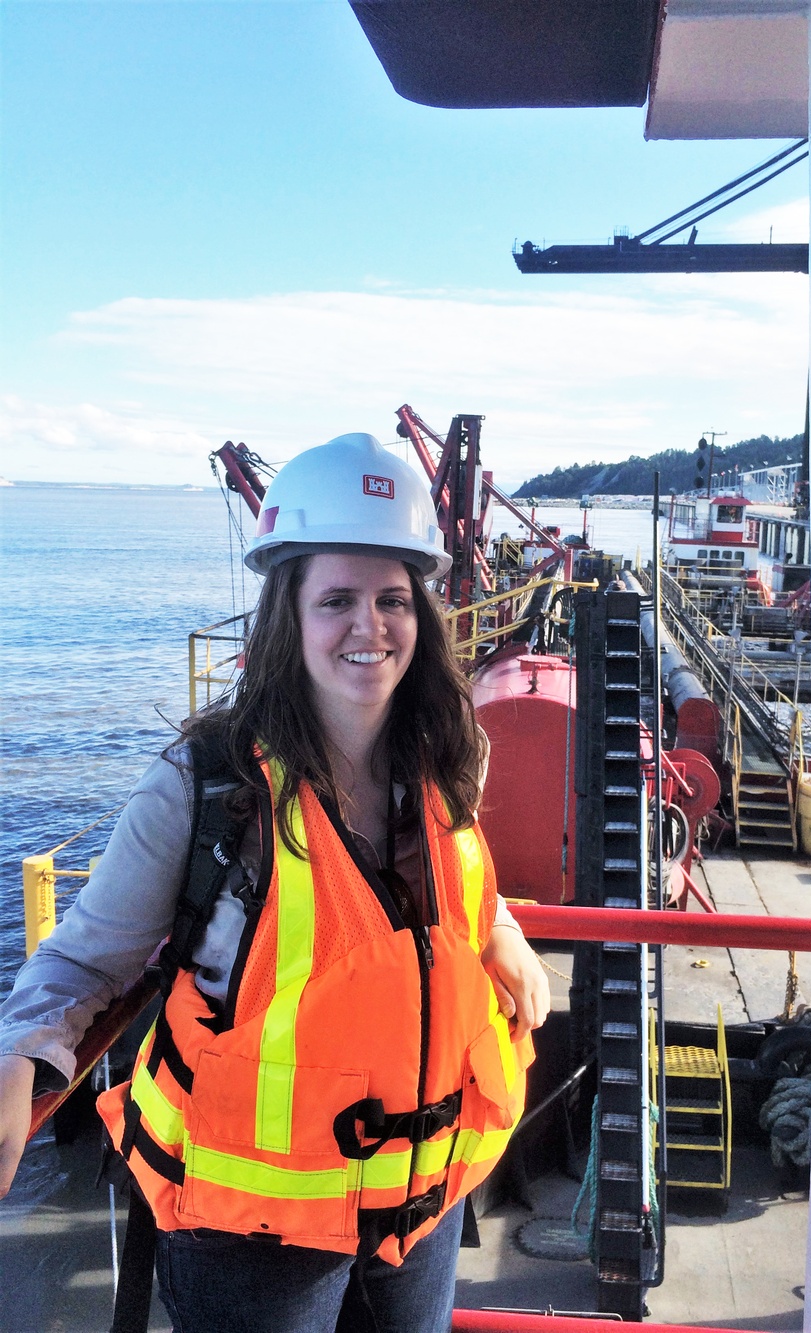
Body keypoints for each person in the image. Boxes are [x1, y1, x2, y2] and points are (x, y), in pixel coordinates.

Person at [0, 433, 550, 1333]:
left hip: (423, 1199)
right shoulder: (206, 786)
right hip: (254, 1236)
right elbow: (86, 959)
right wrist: (21, 1053)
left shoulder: (449, 756)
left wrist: (502, 937)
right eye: (336, 599)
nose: (369, 627)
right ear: (286, 611)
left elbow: (459, 889)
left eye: (391, 598)